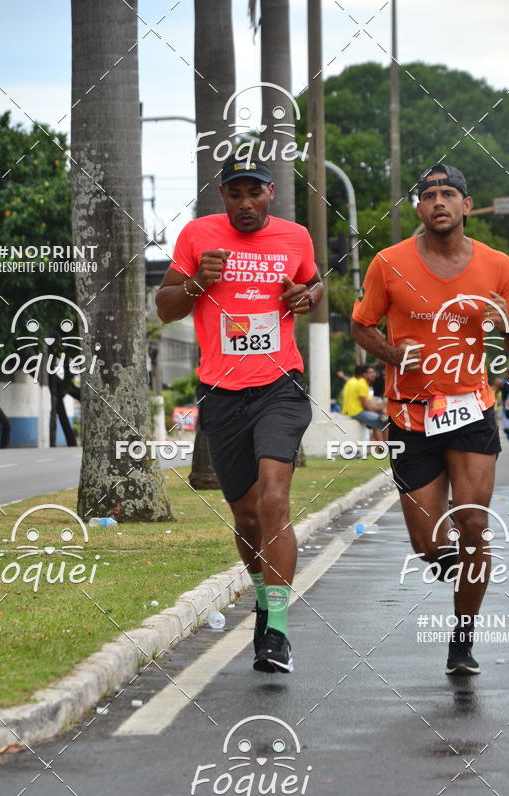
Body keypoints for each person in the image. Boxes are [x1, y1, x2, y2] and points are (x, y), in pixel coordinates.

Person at [351, 163, 509, 676]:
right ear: (418, 208)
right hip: (410, 417)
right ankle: (458, 570)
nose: (439, 202)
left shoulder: (497, 264)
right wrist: (391, 354)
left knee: (473, 523)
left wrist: (507, 324)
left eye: (448, 193)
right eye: (429, 195)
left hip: (470, 408)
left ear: (466, 205)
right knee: (429, 544)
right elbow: (361, 325)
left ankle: (463, 638)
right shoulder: (388, 263)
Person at [156, 154, 323, 674]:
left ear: (270, 192)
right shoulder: (197, 236)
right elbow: (165, 307)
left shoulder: (295, 237)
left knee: (274, 500)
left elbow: (313, 285)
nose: (246, 203)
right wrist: (195, 283)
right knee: (247, 517)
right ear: (222, 196)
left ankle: (277, 631)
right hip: (221, 393)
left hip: (280, 386)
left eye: (255, 192)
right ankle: (263, 598)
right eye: (235, 193)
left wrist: (306, 297)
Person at [341, 364, 387, 441]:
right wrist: (379, 412)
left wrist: (379, 409)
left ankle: (381, 445)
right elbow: (367, 406)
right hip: (356, 413)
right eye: (370, 372)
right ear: (364, 374)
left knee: (379, 419)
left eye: (374, 372)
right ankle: (387, 445)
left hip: (349, 412)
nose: (374, 374)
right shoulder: (362, 384)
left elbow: (368, 404)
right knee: (385, 421)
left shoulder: (352, 382)